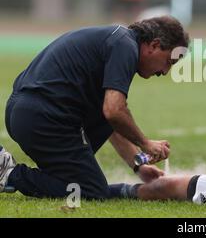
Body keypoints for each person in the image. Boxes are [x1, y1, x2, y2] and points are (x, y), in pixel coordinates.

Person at [0, 16, 189, 199]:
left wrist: (139, 165)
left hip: (27, 112)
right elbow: (114, 110)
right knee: (92, 190)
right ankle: (10, 173)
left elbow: (109, 118)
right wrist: (145, 143)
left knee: (107, 117)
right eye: (169, 62)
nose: (165, 72)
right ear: (154, 45)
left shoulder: (120, 40)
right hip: (43, 118)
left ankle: (56, 174)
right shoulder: (126, 48)